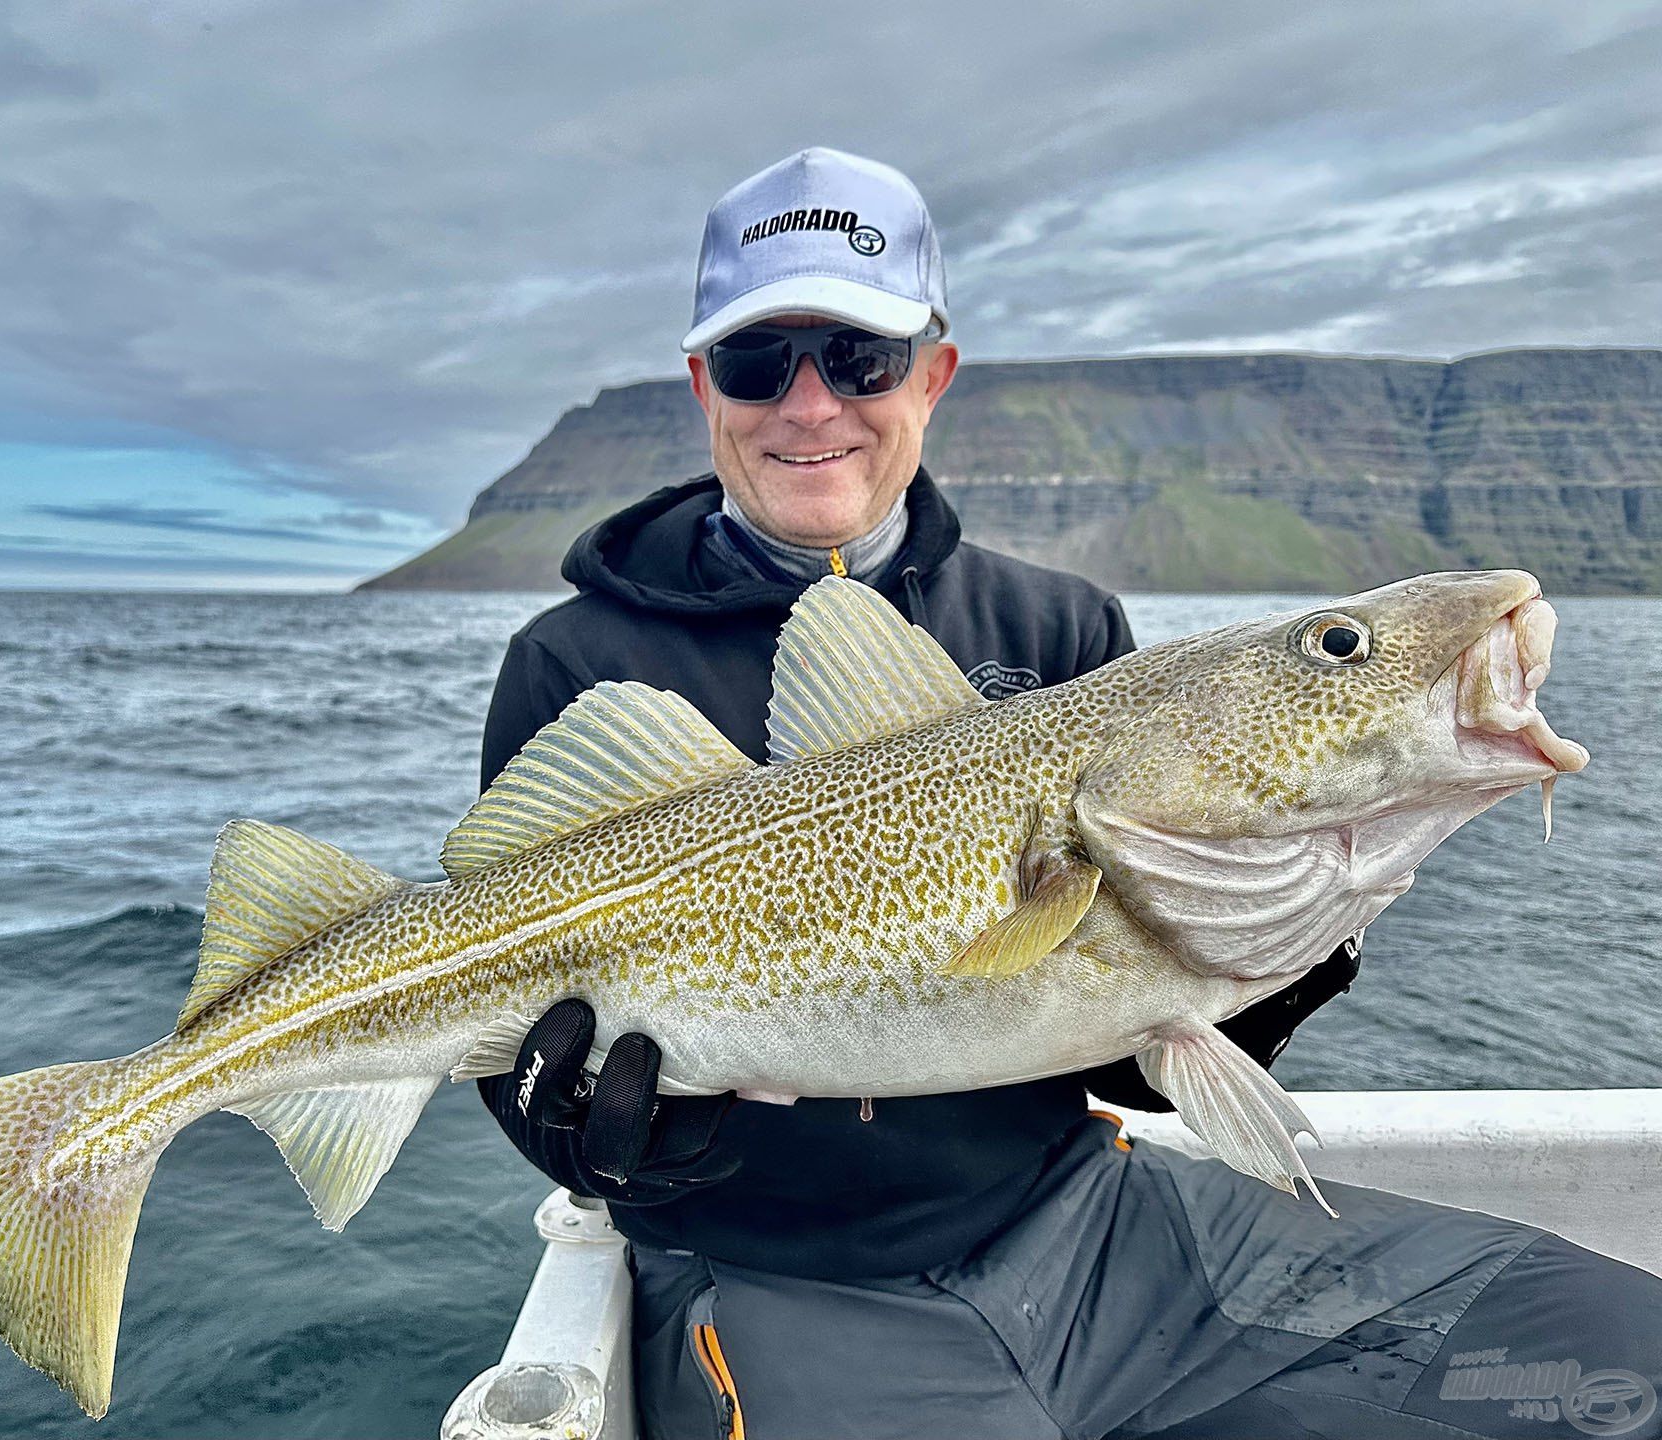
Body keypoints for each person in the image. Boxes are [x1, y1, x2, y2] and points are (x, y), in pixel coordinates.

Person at [477, 148, 1661, 1439]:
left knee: (1614, 1359)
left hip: (1096, 1231)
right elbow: (504, 1023)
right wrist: (574, 1131)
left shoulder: (1061, 623)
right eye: (763, 362)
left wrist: (1315, 920)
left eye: (861, 358)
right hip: (777, 1283)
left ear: (934, 372)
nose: (811, 405)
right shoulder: (576, 663)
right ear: (704, 384)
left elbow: (1151, 1066)